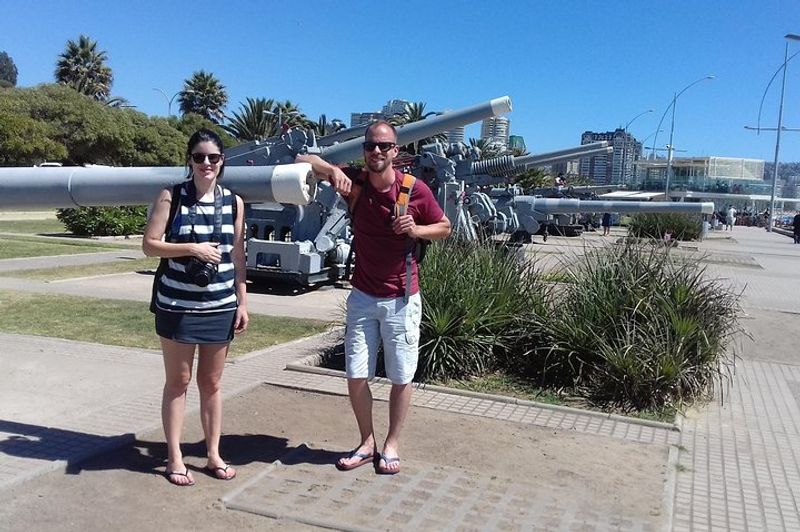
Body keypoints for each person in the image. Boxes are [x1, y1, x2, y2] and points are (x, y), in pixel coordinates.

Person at [298, 120, 451, 475]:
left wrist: (418, 229)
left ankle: (391, 444)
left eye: (384, 146)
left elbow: (445, 227)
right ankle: (366, 442)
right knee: (355, 375)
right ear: (364, 150)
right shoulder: (356, 184)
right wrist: (331, 172)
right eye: (370, 146)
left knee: (401, 377)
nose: (377, 152)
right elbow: (303, 158)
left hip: (401, 297)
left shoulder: (414, 190)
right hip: (363, 296)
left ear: (395, 152)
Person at [142, 129, 248, 487]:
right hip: (177, 305)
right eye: (199, 157)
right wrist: (192, 249)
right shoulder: (170, 196)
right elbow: (150, 245)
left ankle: (213, 453)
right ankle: (174, 457)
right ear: (189, 160)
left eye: (213, 158)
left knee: (212, 383)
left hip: (219, 305)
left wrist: (242, 301)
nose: (206, 163)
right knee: (179, 382)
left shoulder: (234, 202)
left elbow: (237, 256)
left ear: (222, 162)